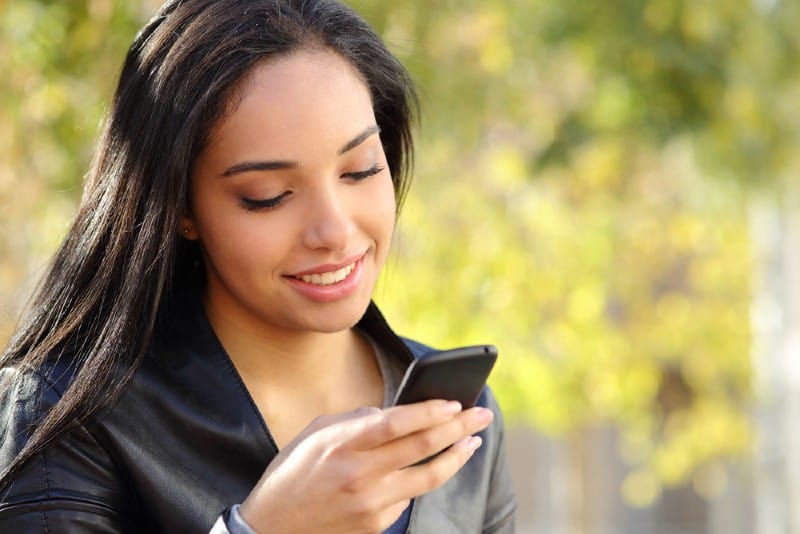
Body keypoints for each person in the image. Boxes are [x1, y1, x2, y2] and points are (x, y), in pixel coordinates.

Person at [0, 0, 516, 532]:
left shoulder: (461, 419)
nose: (335, 231)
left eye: (360, 170)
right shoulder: (68, 417)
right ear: (180, 208)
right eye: (268, 196)